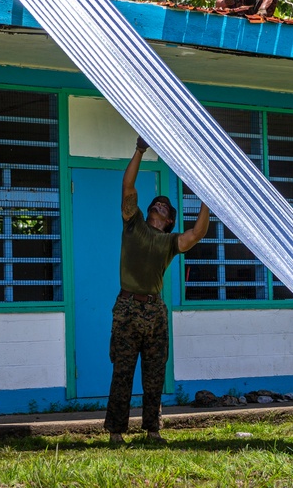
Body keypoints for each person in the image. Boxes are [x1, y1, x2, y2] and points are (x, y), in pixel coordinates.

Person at [104, 136, 210, 445]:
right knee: (122, 372)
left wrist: (206, 199)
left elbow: (198, 232)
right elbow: (128, 187)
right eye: (157, 203)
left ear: (168, 220)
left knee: (154, 374)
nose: (161, 204)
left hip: (154, 311)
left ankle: (152, 431)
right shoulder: (133, 223)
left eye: (166, 207)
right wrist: (139, 150)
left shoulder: (169, 243)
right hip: (126, 308)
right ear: (150, 210)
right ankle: (116, 433)